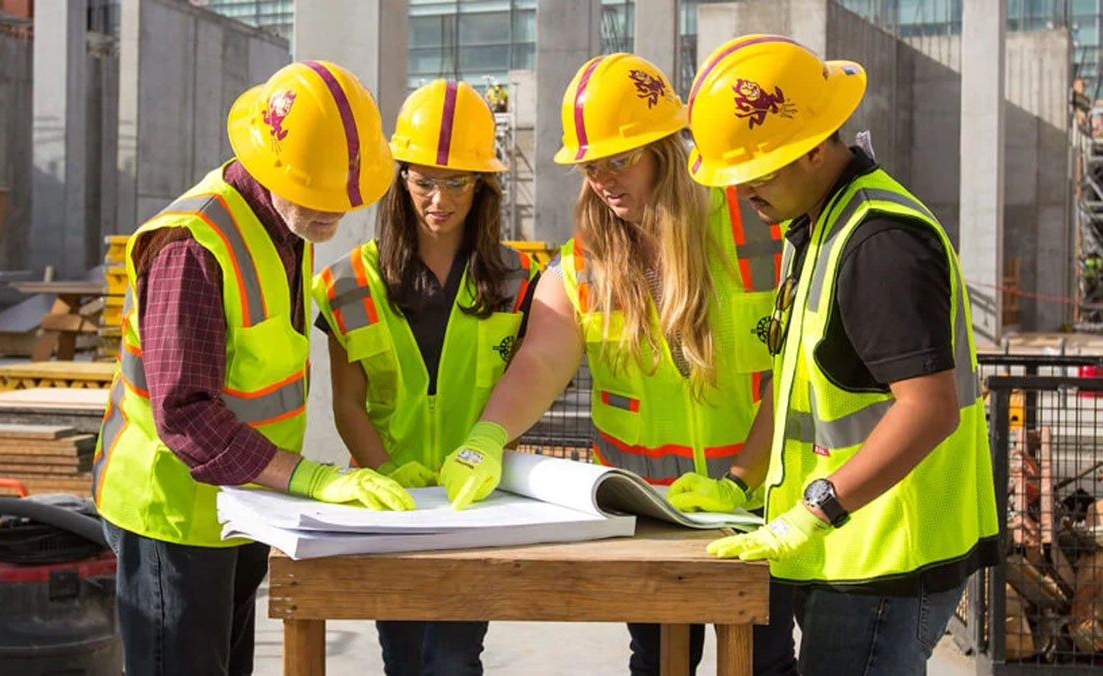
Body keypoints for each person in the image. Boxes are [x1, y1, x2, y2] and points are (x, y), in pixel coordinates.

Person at [438, 53, 798, 675]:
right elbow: (541, 359)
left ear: (667, 147)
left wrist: (741, 479)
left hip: (759, 509)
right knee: (659, 664)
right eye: (590, 165)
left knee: (763, 663)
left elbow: (791, 378)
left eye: (619, 159)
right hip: (650, 519)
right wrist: (487, 437)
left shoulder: (759, 228)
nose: (602, 179)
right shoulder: (586, 261)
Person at [678, 34, 1001, 675]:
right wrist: (738, 483)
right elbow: (796, 380)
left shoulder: (878, 240)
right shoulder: (815, 225)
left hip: (887, 557)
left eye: (757, 171)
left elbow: (930, 409)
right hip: (851, 545)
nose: (743, 192)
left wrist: (816, 509)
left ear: (816, 146)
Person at [91, 61, 416, 676]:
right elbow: (184, 415)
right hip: (173, 518)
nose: (333, 219)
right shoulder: (193, 248)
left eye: (346, 203)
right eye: (319, 200)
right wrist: (309, 479)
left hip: (239, 505)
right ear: (272, 169)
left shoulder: (286, 219)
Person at [313, 78, 537, 676]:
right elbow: (348, 403)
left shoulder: (518, 280)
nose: (439, 198)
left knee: (454, 662)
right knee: (405, 660)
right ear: (400, 178)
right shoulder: (348, 283)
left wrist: (487, 461)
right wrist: (385, 474)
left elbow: (527, 387)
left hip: (477, 508)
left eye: (457, 181)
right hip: (393, 509)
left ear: (482, 184)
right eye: (423, 180)